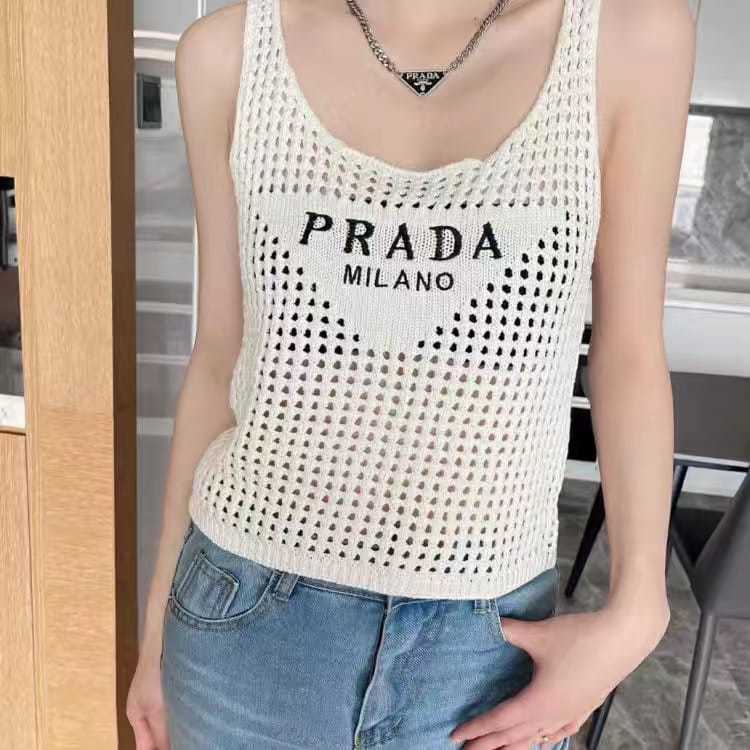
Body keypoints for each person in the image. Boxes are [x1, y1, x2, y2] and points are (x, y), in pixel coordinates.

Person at [126, 0, 695, 747]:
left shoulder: (629, 37)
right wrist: (154, 635)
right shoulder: (225, 53)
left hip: (485, 646)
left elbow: (629, 351)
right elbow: (218, 356)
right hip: (243, 626)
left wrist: (638, 612)